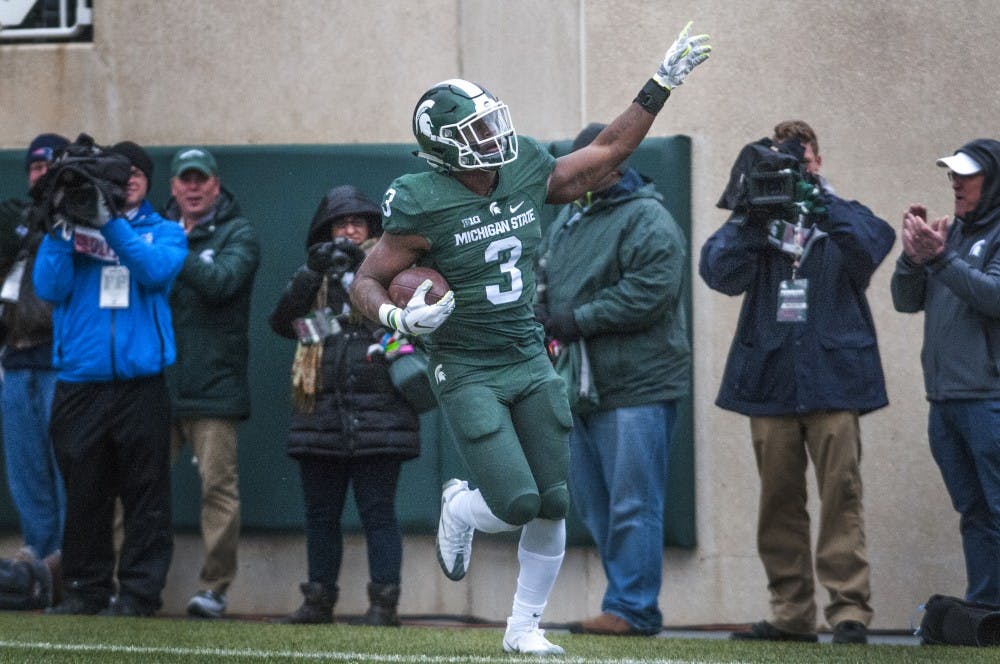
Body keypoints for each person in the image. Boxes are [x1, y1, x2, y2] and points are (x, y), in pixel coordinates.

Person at [348, 23, 710, 655]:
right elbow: (365, 280)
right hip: (465, 365)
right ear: (444, 149)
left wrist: (662, 83)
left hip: (526, 353)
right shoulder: (419, 201)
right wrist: (398, 321)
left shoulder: (523, 170)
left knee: (554, 502)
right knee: (516, 502)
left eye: (492, 123)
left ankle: (524, 630)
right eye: (476, 132)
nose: (493, 138)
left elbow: (609, 151)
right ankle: (460, 508)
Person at [699, 121, 895, 644]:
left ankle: (849, 612)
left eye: (801, 157)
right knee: (778, 503)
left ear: (818, 160)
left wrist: (816, 200)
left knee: (841, 497)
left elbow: (875, 245)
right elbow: (718, 272)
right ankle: (791, 614)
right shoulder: (758, 216)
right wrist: (752, 213)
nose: (794, 166)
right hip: (771, 380)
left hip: (835, 379)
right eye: (784, 158)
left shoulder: (841, 216)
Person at [534, 122, 690, 637]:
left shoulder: (648, 218)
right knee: (597, 506)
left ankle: (633, 609)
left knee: (632, 505)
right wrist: (542, 311)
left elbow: (652, 291)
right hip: (580, 388)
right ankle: (623, 602)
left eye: (587, 161)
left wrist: (578, 319)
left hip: (637, 389)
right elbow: (547, 279)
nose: (574, 171)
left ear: (615, 165)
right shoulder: (569, 222)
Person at [34, 138, 187, 616]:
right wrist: (64, 230)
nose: (130, 183)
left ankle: (140, 593)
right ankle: (84, 589)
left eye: (136, 175)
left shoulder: (165, 231)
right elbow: (48, 287)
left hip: (141, 386)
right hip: (81, 383)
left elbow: (154, 271)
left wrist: (111, 224)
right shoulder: (65, 230)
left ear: (145, 183)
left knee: (146, 493)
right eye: (120, 177)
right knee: (84, 494)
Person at [269, 185, 420, 627]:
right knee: (320, 515)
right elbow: (284, 323)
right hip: (320, 414)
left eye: (357, 223)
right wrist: (309, 273)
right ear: (326, 231)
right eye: (340, 224)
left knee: (378, 512)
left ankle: (383, 605)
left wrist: (363, 277)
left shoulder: (396, 272)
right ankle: (317, 601)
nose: (349, 231)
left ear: (372, 228)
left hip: (380, 414)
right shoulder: (315, 276)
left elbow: (409, 324)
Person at [890, 138, 1000, 607]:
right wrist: (912, 259)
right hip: (946, 401)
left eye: (967, 175)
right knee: (973, 511)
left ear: (992, 182)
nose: (956, 182)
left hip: (989, 399)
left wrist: (939, 258)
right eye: (952, 174)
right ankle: (986, 610)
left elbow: (993, 296)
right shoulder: (950, 234)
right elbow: (904, 300)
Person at [161, 147, 260, 619]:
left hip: (214, 387)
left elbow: (221, 282)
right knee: (135, 490)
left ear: (216, 185)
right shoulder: (156, 231)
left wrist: (173, 248)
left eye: (202, 180)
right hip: (157, 382)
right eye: (186, 180)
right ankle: (131, 584)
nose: (194, 188)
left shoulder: (237, 232)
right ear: (174, 186)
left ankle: (214, 589)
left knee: (217, 489)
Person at [0, 133, 68, 575]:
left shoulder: (72, 222)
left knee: (65, 466)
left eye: (49, 167)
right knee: (25, 468)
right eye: (35, 168)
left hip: (58, 360)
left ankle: (68, 556)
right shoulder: (15, 222)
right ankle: (36, 551)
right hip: (14, 358)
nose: (40, 175)